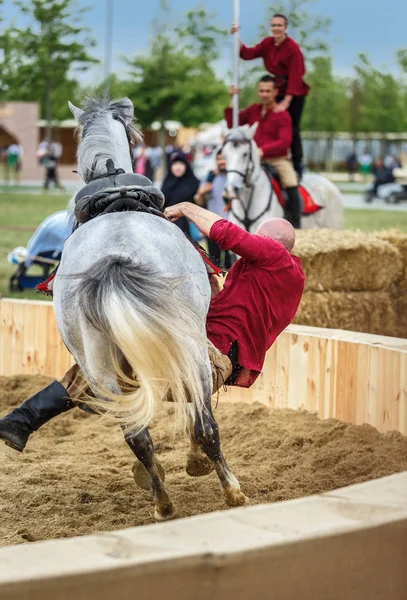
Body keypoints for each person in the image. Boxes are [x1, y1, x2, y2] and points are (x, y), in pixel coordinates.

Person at [0, 204, 304, 452]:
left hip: (213, 351)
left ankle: (35, 416)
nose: (254, 242)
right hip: (218, 349)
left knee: (104, 368)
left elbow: (225, 233)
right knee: (115, 357)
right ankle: (22, 421)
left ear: (272, 243)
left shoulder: (275, 257)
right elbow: (243, 308)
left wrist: (187, 208)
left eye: (259, 238)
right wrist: (210, 289)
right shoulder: (283, 276)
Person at [231, 13, 309, 179]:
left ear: (285, 28)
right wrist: (236, 37)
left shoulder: (292, 48)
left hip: (294, 91)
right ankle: (264, 156)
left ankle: (297, 165)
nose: (276, 28)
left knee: (292, 128)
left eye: (279, 25)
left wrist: (287, 100)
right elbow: (247, 54)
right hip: (276, 88)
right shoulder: (267, 43)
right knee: (269, 122)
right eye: (273, 25)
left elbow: (296, 75)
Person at [225, 75, 302, 228]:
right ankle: (231, 216)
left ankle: (295, 224)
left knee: (291, 182)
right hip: (251, 159)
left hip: (277, 159)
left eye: (268, 91)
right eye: (261, 91)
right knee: (233, 176)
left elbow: (284, 142)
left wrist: (262, 151)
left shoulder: (282, 114)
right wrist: (233, 99)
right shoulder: (254, 109)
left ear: (275, 92)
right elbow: (231, 122)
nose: (264, 94)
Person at [194, 151, 232, 269]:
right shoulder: (210, 177)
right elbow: (199, 201)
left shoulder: (234, 177)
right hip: (212, 225)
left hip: (231, 225)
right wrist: (201, 193)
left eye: (224, 159)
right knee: (214, 261)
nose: (222, 162)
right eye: (219, 159)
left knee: (229, 262)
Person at [161, 152, 200, 235]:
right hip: (167, 227)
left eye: (181, 164)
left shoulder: (193, 183)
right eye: (175, 164)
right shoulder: (167, 183)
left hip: (186, 228)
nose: (178, 167)